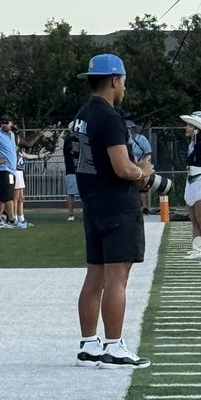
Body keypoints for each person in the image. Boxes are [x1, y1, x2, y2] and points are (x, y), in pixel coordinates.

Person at [71, 53, 153, 368]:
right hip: (117, 206)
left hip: (93, 204)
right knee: (117, 278)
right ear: (116, 80)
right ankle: (114, 346)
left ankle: (89, 344)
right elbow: (122, 168)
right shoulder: (109, 116)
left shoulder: (80, 116)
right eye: (124, 82)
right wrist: (142, 171)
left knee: (95, 275)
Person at [181, 113, 201, 260]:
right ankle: (197, 248)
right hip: (190, 179)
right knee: (193, 217)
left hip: (200, 179)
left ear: (196, 130)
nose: (186, 128)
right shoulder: (191, 144)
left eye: (189, 126)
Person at [63, 125, 80, 220]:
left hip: (82, 170)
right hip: (72, 170)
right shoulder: (69, 140)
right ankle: (71, 213)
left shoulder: (82, 139)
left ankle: (86, 212)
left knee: (85, 192)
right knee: (71, 193)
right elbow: (74, 151)